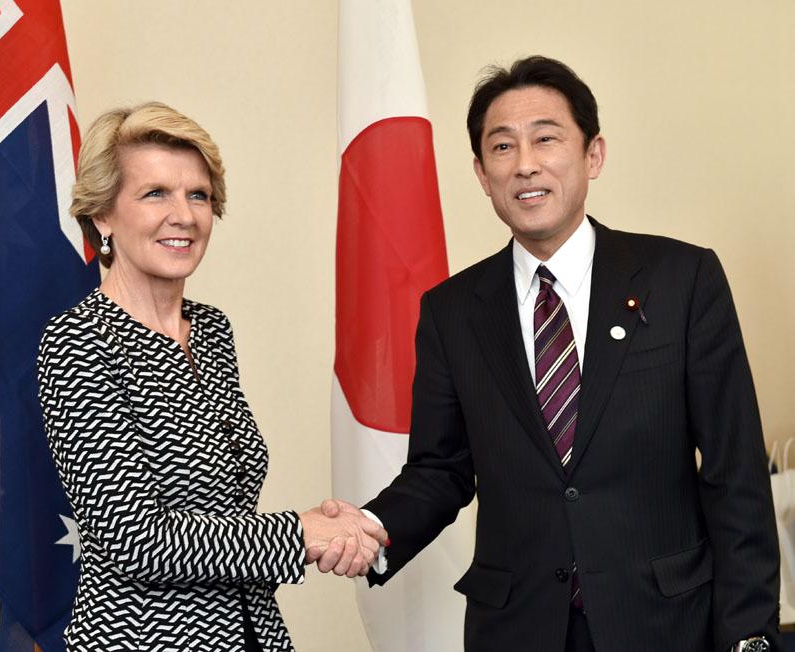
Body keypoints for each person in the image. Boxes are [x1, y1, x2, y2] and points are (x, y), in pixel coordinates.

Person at [323, 56, 781, 651]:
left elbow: (735, 473)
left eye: (546, 138)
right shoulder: (452, 311)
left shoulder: (682, 278)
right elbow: (440, 468)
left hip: (667, 623)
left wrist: (750, 636)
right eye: (503, 147)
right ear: (483, 174)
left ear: (593, 154)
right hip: (518, 628)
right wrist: (372, 529)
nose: (526, 164)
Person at [36, 102, 386, 651]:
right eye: (155, 193)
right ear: (103, 215)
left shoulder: (212, 331)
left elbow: (224, 507)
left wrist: (324, 528)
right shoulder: (78, 342)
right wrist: (303, 532)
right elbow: (136, 539)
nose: (184, 215)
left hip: (254, 634)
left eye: (197, 194)